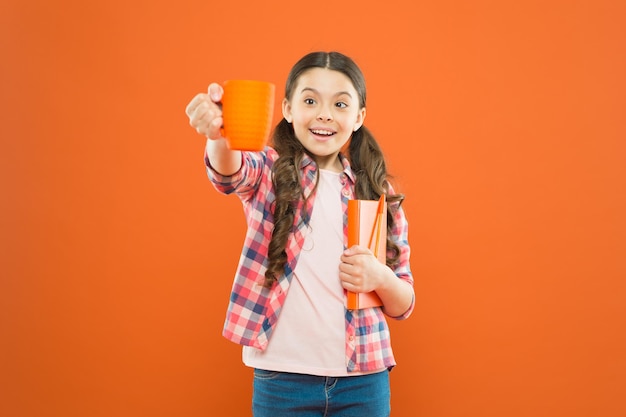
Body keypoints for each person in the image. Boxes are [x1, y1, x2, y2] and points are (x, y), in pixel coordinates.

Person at [185, 51, 414, 417]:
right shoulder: (270, 173)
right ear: (289, 109)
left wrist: (380, 277)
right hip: (282, 381)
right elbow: (229, 172)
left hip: (364, 381)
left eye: (340, 103)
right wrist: (218, 135)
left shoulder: (376, 191)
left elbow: (403, 303)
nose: (324, 114)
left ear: (358, 117)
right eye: (310, 100)